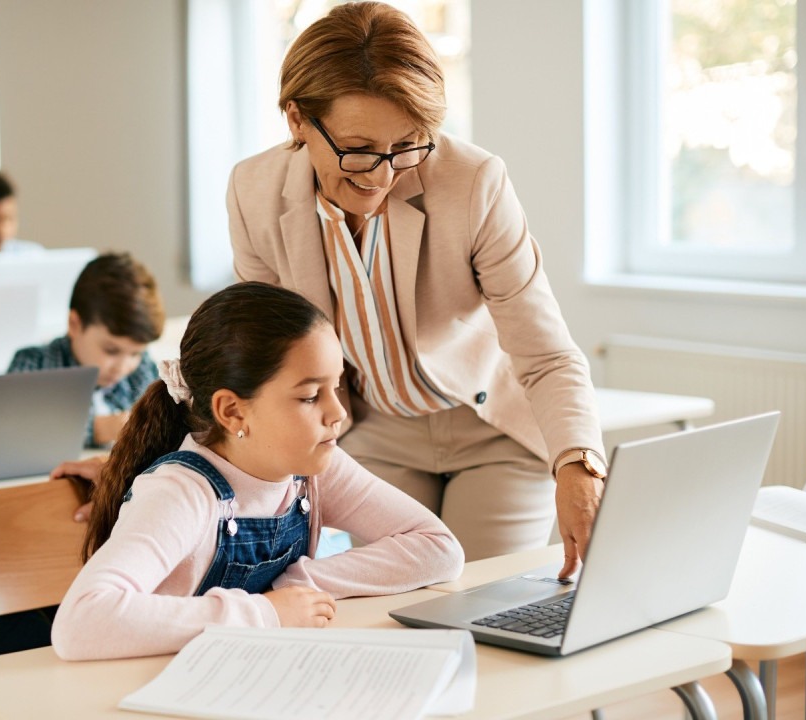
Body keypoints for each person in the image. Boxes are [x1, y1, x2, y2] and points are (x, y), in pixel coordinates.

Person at [227, 2, 605, 576]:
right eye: (357, 147)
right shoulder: (253, 192)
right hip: (374, 432)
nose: (381, 175)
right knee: (401, 608)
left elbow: (545, 352)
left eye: (407, 145)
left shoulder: (473, 182)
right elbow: (256, 358)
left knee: (488, 608)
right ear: (297, 120)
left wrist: (579, 465)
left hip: (492, 429)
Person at [51, 282, 463, 661]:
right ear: (232, 411)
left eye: (336, 387)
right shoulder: (181, 493)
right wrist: (264, 611)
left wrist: (301, 582)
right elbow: (81, 623)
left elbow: (439, 549)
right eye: (309, 396)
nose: (337, 413)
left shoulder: (315, 468)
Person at [7, 252, 163, 447]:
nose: (122, 367)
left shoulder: (143, 370)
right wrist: (100, 429)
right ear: (74, 324)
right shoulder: (33, 365)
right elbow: (15, 431)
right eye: (111, 350)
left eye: (135, 353)